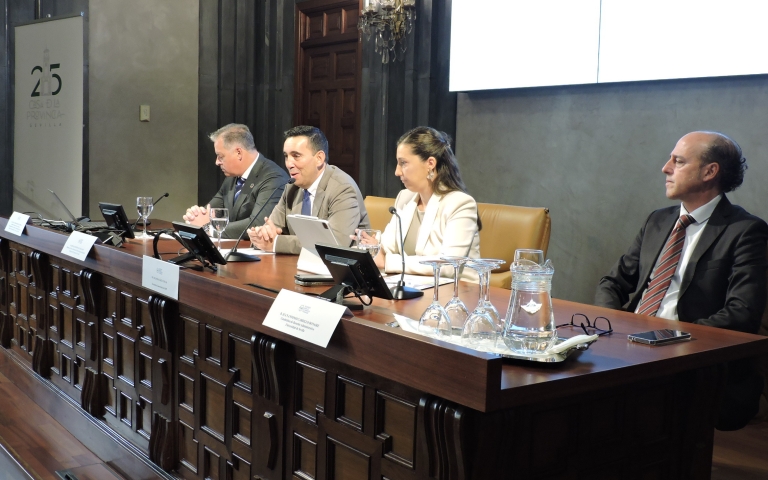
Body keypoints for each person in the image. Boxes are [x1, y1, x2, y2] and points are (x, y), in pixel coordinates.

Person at [595, 131, 768, 430]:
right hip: (629, 344)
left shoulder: (746, 231)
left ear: (709, 171)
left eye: (678, 161)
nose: (665, 168)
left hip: (690, 357)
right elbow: (612, 283)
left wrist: (665, 338)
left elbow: (742, 313)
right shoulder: (657, 220)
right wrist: (612, 328)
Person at [365, 126, 481, 279]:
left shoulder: (461, 204)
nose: (397, 172)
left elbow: (448, 266)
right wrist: (372, 246)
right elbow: (385, 247)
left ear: (430, 163)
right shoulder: (405, 197)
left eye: (403, 163)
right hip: (415, 286)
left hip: (457, 290)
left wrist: (387, 261)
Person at [248, 125, 369, 254]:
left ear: (319, 158)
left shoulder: (342, 188)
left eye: (296, 156)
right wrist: (261, 235)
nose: (289, 164)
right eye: (286, 156)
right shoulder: (292, 187)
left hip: (340, 265)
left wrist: (276, 243)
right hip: (299, 263)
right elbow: (271, 230)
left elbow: (334, 243)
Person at [183, 124, 289, 239]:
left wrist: (209, 228)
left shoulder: (273, 178)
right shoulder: (232, 177)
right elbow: (212, 211)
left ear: (238, 153)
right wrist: (195, 216)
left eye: (220, 156)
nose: (217, 162)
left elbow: (258, 224)